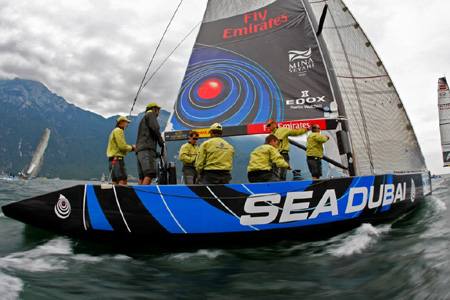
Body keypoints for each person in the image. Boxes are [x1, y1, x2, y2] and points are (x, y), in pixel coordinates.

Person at [135, 102, 164, 185]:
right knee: (149, 174)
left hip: (139, 150)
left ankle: (138, 196)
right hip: (146, 148)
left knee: (142, 176)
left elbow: (146, 137)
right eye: (158, 110)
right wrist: (161, 142)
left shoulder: (144, 118)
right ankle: (144, 196)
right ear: (154, 109)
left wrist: (156, 154)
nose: (158, 112)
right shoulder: (151, 114)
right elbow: (155, 128)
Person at [106, 116, 136, 184]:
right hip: (118, 160)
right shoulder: (119, 131)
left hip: (111, 160)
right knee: (123, 179)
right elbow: (122, 146)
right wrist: (132, 148)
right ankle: (123, 194)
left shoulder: (113, 131)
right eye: (126, 122)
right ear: (121, 122)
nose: (127, 125)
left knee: (115, 181)